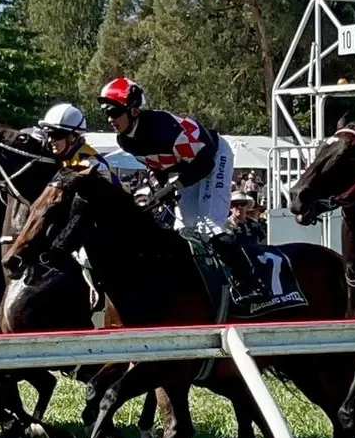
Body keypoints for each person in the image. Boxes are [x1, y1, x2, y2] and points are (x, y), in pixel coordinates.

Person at [97, 76, 262, 304]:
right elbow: (158, 165)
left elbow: (205, 163)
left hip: (214, 156)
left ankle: (251, 282)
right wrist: (161, 189)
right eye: (107, 113)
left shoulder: (163, 129)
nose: (110, 119)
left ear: (133, 111)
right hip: (190, 166)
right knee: (185, 228)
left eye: (115, 112)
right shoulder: (126, 141)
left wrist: (172, 188)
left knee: (209, 225)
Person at [37, 102, 119, 185]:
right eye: (49, 135)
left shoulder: (89, 163)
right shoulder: (64, 158)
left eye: (56, 135)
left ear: (73, 137)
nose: (51, 140)